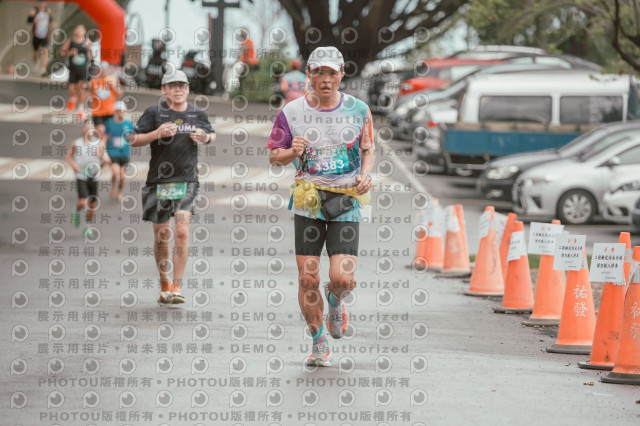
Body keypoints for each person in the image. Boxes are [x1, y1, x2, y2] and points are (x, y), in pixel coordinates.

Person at [267, 46, 375, 367]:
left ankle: (335, 299)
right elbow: (274, 156)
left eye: (331, 73)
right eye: (318, 73)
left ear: (341, 74)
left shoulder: (359, 110)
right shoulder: (292, 112)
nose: (325, 79)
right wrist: (292, 152)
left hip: (345, 200)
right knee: (307, 278)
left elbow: (368, 148)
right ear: (309, 75)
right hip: (308, 201)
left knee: (343, 279)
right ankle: (318, 341)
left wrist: (366, 173)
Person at [130, 70, 216, 306]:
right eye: (173, 85)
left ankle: (177, 286)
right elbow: (133, 139)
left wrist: (205, 137)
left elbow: (212, 135)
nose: (178, 89)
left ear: (188, 89)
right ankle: (164, 282)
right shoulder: (154, 112)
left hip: (186, 180)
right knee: (162, 235)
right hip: (158, 181)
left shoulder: (197, 113)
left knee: (181, 230)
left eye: (182, 85)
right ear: (164, 89)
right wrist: (156, 133)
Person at [65, 120, 105, 239]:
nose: (89, 129)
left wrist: (103, 159)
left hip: (94, 176)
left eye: (91, 127)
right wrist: (74, 166)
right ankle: (76, 209)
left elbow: (104, 161)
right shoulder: (76, 143)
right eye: (86, 127)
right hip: (81, 175)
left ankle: (88, 226)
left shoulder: (99, 144)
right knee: (83, 202)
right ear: (82, 129)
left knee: (93, 205)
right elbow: (68, 156)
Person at [103, 101, 134, 201]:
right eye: (119, 110)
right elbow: (105, 137)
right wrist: (104, 152)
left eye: (122, 111)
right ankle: (113, 186)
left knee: (122, 176)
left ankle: (119, 192)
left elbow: (133, 136)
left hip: (124, 153)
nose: (121, 112)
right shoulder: (110, 123)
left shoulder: (128, 124)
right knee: (115, 172)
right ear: (115, 111)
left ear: (125, 111)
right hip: (113, 152)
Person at [60, 25, 92, 115]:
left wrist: (89, 51)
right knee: (71, 88)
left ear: (84, 31)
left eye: (81, 30)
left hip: (83, 69)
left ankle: (81, 107)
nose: (79, 31)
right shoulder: (70, 41)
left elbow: (90, 55)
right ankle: (73, 97)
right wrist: (70, 53)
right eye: (78, 29)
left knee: (81, 88)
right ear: (74, 31)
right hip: (73, 69)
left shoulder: (87, 41)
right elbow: (62, 53)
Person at [89, 61, 123, 134]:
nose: (103, 71)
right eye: (101, 69)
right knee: (101, 131)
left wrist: (112, 86)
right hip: (97, 113)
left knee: (109, 134)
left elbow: (120, 94)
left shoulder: (113, 80)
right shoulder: (94, 81)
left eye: (105, 69)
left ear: (108, 69)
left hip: (110, 112)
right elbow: (90, 94)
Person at [27, 1, 53, 76]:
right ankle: (35, 63)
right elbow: (29, 20)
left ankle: (43, 68)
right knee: (35, 51)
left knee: (45, 50)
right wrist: (32, 17)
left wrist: (52, 22)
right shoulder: (34, 10)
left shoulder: (47, 11)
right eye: (40, 2)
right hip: (36, 34)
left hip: (45, 35)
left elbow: (50, 20)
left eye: (43, 2)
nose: (41, 4)